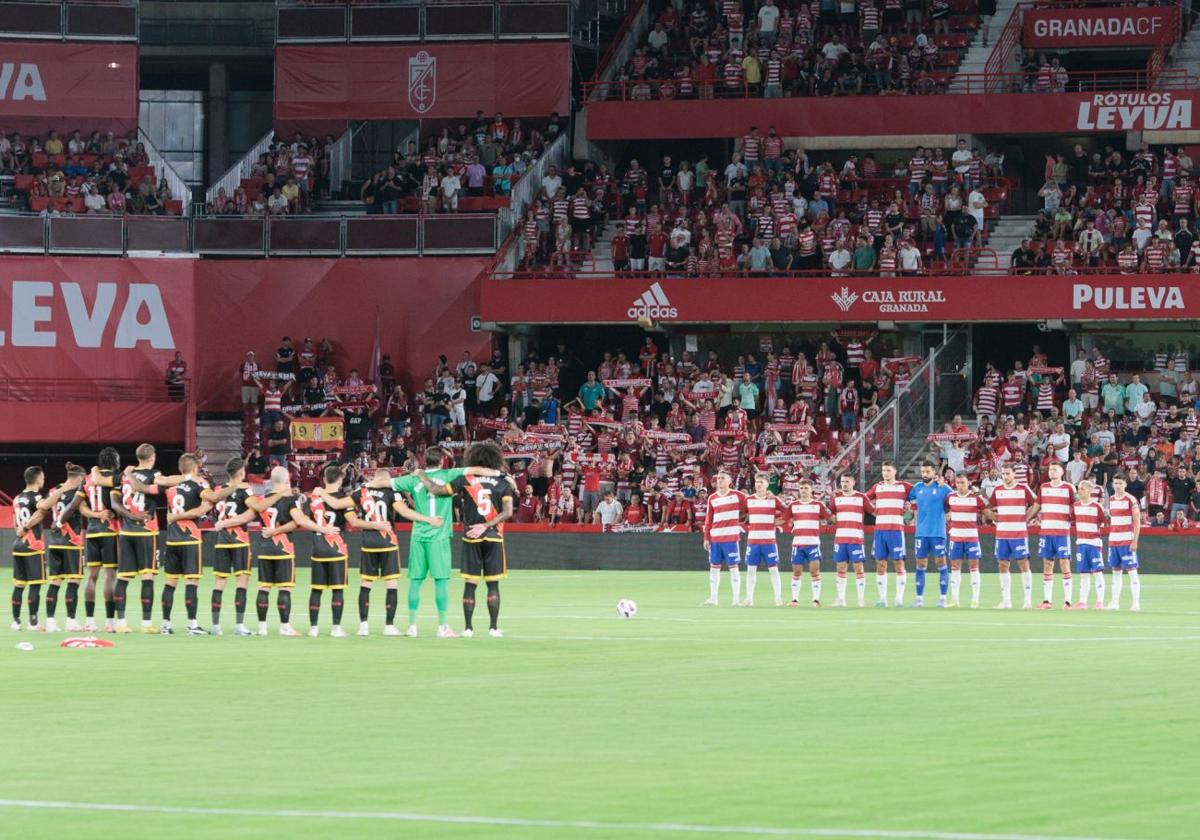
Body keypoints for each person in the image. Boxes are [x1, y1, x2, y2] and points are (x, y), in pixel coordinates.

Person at [377, 449, 501, 637]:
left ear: (424, 462)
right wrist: (500, 474)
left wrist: (367, 484)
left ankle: (412, 626)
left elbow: (385, 482)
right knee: (441, 582)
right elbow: (477, 469)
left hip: (418, 535)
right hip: (439, 536)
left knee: (415, 582)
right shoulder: (450, 474)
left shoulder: (413, 479)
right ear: (442, 461)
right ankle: (442, 627)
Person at [418, 441, 516, 637]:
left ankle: (468, 628)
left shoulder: (465, 479)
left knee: (470, 584)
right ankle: (493, 628)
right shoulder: (504, 483)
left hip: (471, 536)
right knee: (493, 584)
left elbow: (436, 491)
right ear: (495, 459)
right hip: (494, 537)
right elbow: (508, 512)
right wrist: (487, 526)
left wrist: (421, 475)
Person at [247, 465, 336, 636]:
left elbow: (250, 517)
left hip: (265, 546)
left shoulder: (263, 499)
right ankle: (285, 626)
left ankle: (262, 628)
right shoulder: (290, 499)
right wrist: (323, 529)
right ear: (288, 479)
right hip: (283, 547)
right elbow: (299, 520)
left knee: (264, 587)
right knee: (284, 588)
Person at [129, 454, 211, 635]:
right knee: (192, 582)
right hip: (190, 538)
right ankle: (192, 625)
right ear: (195, 469)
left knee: (170, 583)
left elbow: (147, 487)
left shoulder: (169, 485)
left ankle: (166, 624)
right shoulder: (198, 484)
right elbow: (207, 502)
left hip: (172, 540)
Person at [307, 465, 379, 637]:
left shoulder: (314, 497)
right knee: (337, 589)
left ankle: (313, 628)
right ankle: (336, 628)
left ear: (324, 479)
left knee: (316, 590)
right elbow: (354, 522)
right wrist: (375, 525)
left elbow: (303, 519)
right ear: (340, 480)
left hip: (317, 547)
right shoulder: (343, 499)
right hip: (337, 548)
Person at [11, 467, 78, 631]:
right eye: (43, 477)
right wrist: (63, 488)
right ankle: (33, 623)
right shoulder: (37, 496)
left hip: (17, 543)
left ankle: (16, 621)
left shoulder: (16, 498)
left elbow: (14, 524)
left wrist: (22, 530)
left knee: (19, 585)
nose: (43, 480)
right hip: (33, 545)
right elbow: (44, 506)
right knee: (35, 585)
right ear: (37, 479)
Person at [208, 456, 256, 635]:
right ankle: (239, 625)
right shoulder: (245, 491)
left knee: (219, 582)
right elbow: (249, 515)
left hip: (222, 541)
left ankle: (215, 626)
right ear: (242, 472)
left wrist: (221, 524)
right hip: (239, 541)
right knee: (241, 582)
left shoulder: (219, 490)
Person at [355, 469, 405, 636]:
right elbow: (402, 511)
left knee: (365, 584)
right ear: (387, 479)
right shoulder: (392, 491)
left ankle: (363, 625)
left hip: (368, 542)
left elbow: (344, 505)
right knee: (391, 584)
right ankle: (389, 626)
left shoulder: (362, 490)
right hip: (387, 541)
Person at [78, 447, 121, 632]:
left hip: (92, 531)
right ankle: (110, 622)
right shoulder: (113, 479)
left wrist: (95, 514)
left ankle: (89, 621)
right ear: (115, 461)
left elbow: (80, 507)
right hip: (110, 530)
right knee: (110, 575)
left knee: (92, 576)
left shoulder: (87, 479)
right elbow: (117, 505)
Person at [42, 464, 87, 633]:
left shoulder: (54, 490)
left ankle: (50, 622)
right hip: (72, 542)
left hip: (54, 541)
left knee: (55, 583)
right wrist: (97, 514)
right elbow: (82, 510)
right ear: (78, 477)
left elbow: (44, 506)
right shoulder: (77, 492)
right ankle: (71, 621)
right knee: (73, 582)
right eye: (83, 478)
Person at [988, 464, 1038, 609]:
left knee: (1023, 564)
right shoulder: (998, 490)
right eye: (1003, 474)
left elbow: (1036, 503)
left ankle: (1027, 600)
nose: (1005, 476)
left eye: (1008, 473)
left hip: (1019, 533)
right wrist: (994, 517)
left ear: (1014, 474)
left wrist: (1027, 517)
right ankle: (1006, 600)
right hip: (1002, 534)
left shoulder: (1023, 489)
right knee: (1003, 565)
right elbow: (988, 507)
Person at [907, 461, 952, 608]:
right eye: (923, 472)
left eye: (927, 472)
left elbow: (955, 499)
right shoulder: (916, 488)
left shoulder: (943, 488)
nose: (924, 474)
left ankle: (943, 598)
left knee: (941, 563)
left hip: (938, 532)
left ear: (934, 473)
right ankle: (919, 598)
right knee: (920, 564)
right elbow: (908, 499)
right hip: (921, 533)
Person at [866, 461, 910, 607]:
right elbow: (864, 500)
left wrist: (910, 506)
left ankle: (899, 599)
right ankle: (882, 599)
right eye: (884, 470)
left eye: (888, 470)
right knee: (880, 564)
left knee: (899, 563)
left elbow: (921, 492)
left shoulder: (904, 486)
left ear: (895, 471)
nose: (885, 473)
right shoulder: (877, 487)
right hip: (880, 531)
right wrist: (873, 511)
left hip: (896, 530)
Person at [701, 470, 746, 606]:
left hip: (731, 538)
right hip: (715, 538)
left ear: (729, 481)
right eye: (718, 478)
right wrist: (706, 538)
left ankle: (736, 599)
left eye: (722, 478)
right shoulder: (712, 498)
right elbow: (708, 519)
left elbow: (750, 506)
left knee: (733, 568)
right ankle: (713, 598)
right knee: (714, 568)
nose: (719, 480)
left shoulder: (738, 496)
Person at [743, 472, 786, 606]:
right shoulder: (749, 500)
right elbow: (743, 513)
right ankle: (749, 599)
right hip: (753, 541)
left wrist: (779, 521)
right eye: (757, 482)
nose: (759, 484)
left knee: (773, 570)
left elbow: (788, 511)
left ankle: (778, 599)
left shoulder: (773, 500)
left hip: (769, 541)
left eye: (761, 482)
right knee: (750, 570)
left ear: (767, 484)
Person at [1036, 461, 1074, 609]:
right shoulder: (1044, 488)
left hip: (1062, 532)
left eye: (1055, 469)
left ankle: (1068, 602)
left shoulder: (1069, 488)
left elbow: (1076, 506)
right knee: (1047, 565)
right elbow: (1036, 506)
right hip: (1046, 532)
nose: (1051, 472)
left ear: (1062, 472)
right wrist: (1025, 520)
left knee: (1064, 564)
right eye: (1050, 469)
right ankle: (1047, 601)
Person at [946, 473, 987, 608]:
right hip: (956, 538)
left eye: (962, 482)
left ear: (968, 482)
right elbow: (944, 511)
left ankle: (975, 600)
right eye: (957, 483)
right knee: (955, 568)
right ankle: (955, 600)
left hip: (971, 538)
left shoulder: (976, 499)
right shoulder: (950, 498)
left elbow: (987, 512)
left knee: (974, 568)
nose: (960, 485)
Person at [786, 479, 828, 607]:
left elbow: (829, 517)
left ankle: (816, 600)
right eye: (802, 488)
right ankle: (794, 600)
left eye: (806, 488)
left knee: (814, 572)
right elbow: (784, 518)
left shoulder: (818, 505)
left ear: (811, 490)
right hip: (798, 544)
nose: (803, 490)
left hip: (813, 543)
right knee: (797, 572)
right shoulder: (793, 505)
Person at [830, 473, 869, 608]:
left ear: (853, 482)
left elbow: (873, 511)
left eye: (847, 481)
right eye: (842, 481)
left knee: (858, 568)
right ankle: (841, 599)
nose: (844, 484)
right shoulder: (836, 498)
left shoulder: (861, 497)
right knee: (841, 568)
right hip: (840, 538)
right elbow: (831, 516)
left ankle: (860, 599)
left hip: (856, 538)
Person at [1106, 474, 1141, 611]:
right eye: (1116, 483)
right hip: (1113, 540)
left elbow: (1137, 521)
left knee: (1132, 571)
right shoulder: (1112, 499)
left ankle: (1135, 603)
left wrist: (1134, 540)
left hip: (1127, 540)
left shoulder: (1130, 499)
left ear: (1125, 485)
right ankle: (1115, 602)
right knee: (1116, 571)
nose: (1118, 486)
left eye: (1120, 483)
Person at [1071, 480, 1107, 611]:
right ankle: (1082, 601)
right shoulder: (1075, 506)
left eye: (1082, 489)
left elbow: (1106, 521)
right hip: (1081, 543)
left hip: (1094, 544)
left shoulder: (1097, 507)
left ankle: (1099, 601)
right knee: (1083, 574)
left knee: (1097, 572)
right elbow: (1073, 520)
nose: (1079, 491)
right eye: (1079, 489)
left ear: (1089, 491)